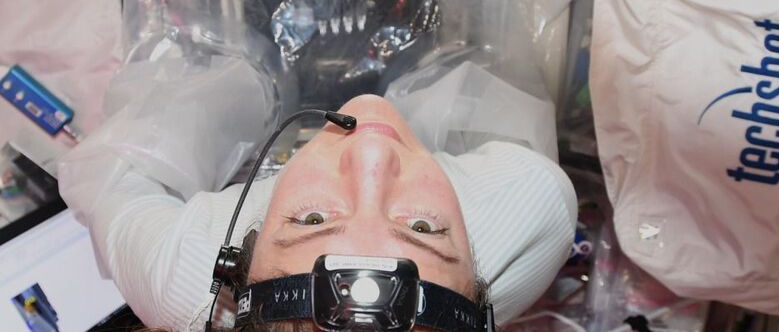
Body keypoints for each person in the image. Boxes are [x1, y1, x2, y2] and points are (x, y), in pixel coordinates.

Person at [57, 57, 577, 331]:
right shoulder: (529, 206)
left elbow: (111, 175)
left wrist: (246, 77)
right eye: (421, 228)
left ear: (236, 264)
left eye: (311, 220)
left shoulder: (180, 273)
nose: (371, 153)